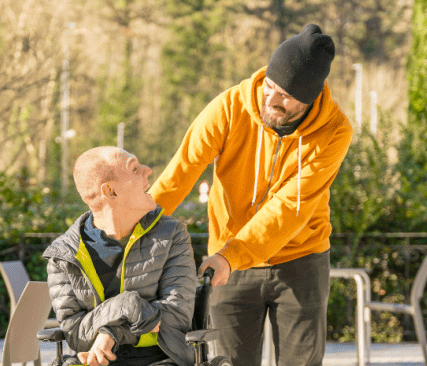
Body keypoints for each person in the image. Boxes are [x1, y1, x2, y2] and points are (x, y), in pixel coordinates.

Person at [149, 23, 351, 366]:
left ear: (311, 96)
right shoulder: (229, 107)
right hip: (229, 263)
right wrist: (132, 229)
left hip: (301, 261)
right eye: (270, 86)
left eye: (286, 96)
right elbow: (179, 174)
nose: (271, 100)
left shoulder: (334, 131)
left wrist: (233, 254)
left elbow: (289, 207)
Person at [44, 146, 198, 366]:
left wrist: (112, 333)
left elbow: (176, 317)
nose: (148, 170)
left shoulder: (171, 234)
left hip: (162, 358)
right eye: (134, 169)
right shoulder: (64, 255)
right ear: (110, 191)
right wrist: (127, 304)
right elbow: (76, 333)